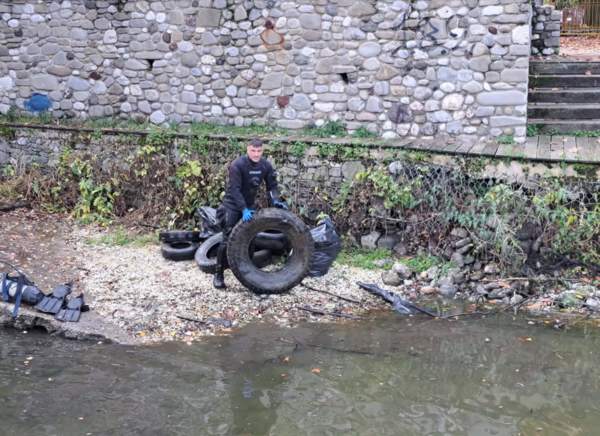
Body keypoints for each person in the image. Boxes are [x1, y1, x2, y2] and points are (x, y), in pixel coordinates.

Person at [214, 138, 288, 289]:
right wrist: (242, 209)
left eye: (259, 151)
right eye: (253, 151)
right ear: (247, 150)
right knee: (227, 239)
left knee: (251, 238)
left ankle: (249, 274)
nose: (256, 154)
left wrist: (275, 201)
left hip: (249, 206)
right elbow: (235, 189)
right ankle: (218, 274)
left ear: (262, 150)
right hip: (232, 206)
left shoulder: (265, 165)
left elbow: (272, 186)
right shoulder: (238, 165)